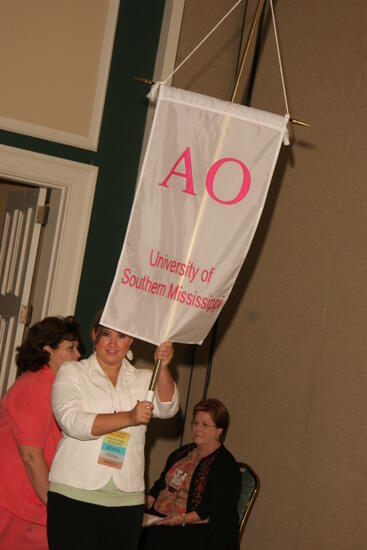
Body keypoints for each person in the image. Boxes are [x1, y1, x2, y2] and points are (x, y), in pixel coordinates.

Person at [47, 310, 179, 550]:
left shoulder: (144, 378)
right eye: (106, 333)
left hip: (126, 501)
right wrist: (129, 417)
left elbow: (169, 408)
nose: (112, 343)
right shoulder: (72, 372)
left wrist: (165, 366)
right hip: (74, 496)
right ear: (94, 334)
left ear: (131, 341)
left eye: (121, 336)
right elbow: (73, 422)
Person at [0, 315, 83, 550]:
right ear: (48, 350)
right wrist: (55, 508)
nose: (78, 354)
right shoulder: (36, 384)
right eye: (70, 348)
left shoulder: (53, 386)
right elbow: (31, 456)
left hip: (29, 502)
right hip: (14, 501)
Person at [139, 398, 241, 550]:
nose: (197, 429)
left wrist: (181, 519)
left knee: (151, 539)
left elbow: (215, 509)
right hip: (160, 517)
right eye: (195, 423)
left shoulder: (225, 465)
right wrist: (141, 504)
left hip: (197, 528)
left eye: (205, 425)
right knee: (125, 527)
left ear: (219, 431)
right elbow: (161, 484)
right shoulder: (182, 453)